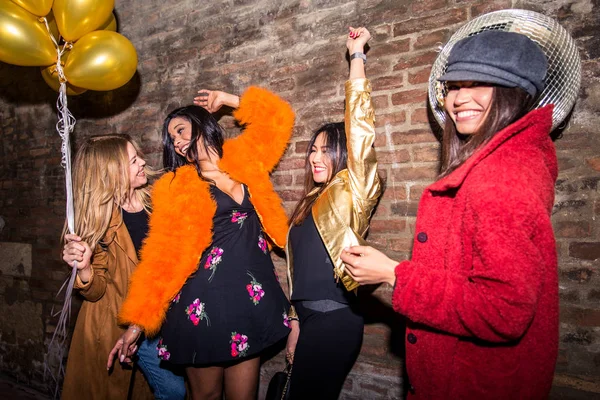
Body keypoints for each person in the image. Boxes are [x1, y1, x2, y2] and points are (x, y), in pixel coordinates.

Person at [341, 30, 558, 399]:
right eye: (454, 86)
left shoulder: (501, 176)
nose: (459, 98)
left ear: (515, 92)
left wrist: (393, 273)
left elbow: (503, 310)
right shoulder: (516, 158)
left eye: (480, 84)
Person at [117, 86, 295, 400]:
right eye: (172, 137)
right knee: (206, 397)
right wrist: (137, 324)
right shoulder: (176, 185)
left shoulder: (244, 158)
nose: (177, 140)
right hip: (202, 308)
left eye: (181, 130)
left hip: (248, 305)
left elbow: (278, 119)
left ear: (202, 123)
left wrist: (227, 100)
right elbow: (162, 256)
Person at [284, 26, 382, 400]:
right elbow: (302, 272)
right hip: (308, 319)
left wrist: (357, 56)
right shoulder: (308, 202)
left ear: (343, 155)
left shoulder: (353, 189)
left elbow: (360, 126)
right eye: (312, 150)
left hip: (335, 318)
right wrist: (295, 324)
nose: (315, 157)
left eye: (326, 150)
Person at [61, 135, 185, 400]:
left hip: (162, 315)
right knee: (175, 390)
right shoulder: (98, 222)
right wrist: (84, 269)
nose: (142, 162)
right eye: (133, 160)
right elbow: (95, 292)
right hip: (119, 324)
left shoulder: (155, 200)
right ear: (112, 172)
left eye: (138, 156)